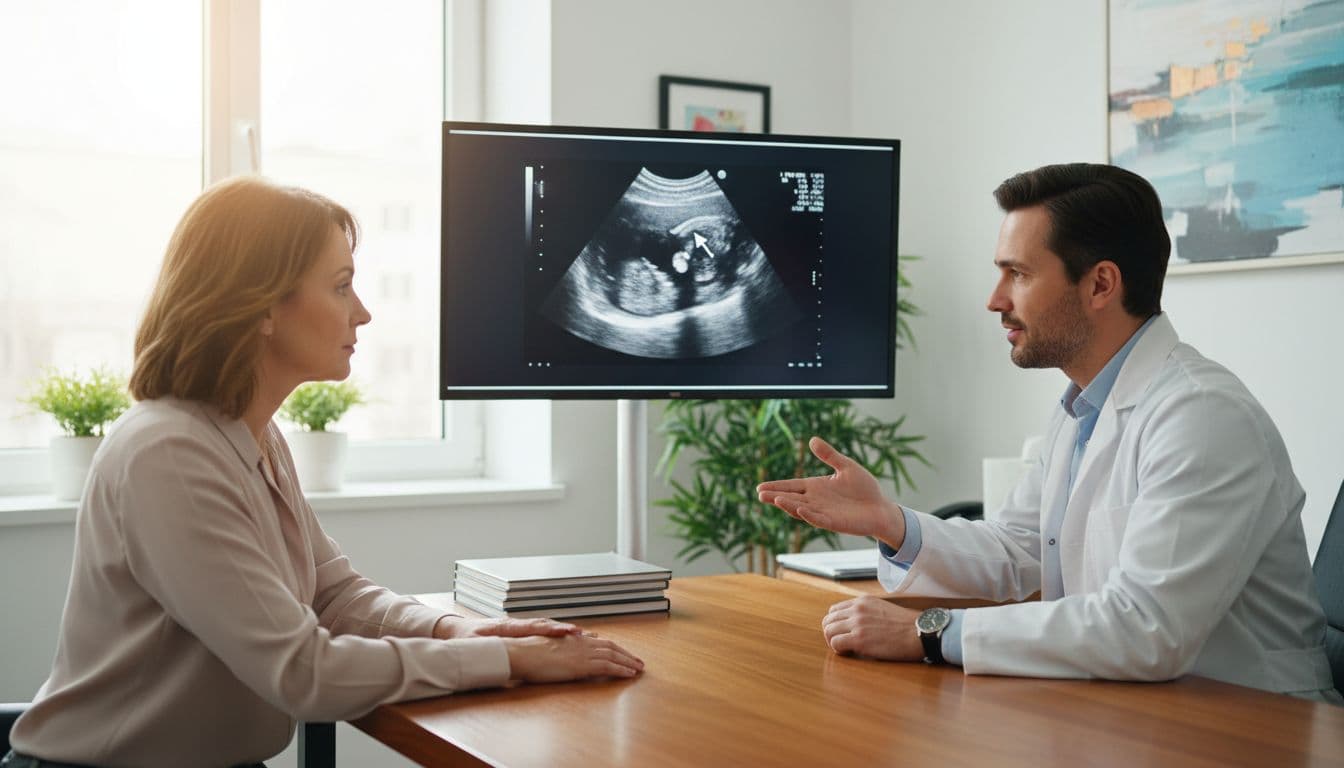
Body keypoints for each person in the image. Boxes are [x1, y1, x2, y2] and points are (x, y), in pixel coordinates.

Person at [5, 177, 645, 768]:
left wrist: (461, 627)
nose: (361, 312)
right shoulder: (168, 454)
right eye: (340, 285)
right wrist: (506, 660)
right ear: (259, 307)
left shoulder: (251, 433)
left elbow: (334, 596)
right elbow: (301, 672)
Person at [758, 163, 1340, 703]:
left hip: (1253, 727)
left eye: (1019, 273)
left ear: (1100, 285)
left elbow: (1147, 627)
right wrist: (890, 523)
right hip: (1128, 713)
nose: (995, 300)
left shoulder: (1203, 416)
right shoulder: (1082, 405)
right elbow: (1022, 552)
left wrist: (928, 632)